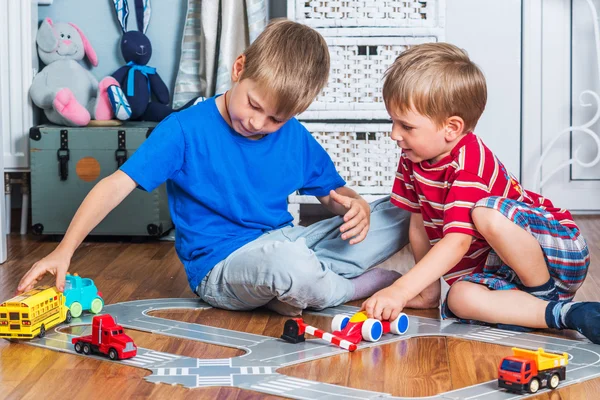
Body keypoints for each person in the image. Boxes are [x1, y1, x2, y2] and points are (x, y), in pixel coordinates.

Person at [17, 20, 410, 316]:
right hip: (222, 268)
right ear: (239, 69)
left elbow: (333, 194)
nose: (258, 123)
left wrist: (354, 208)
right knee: (288, 265)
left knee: (397, 211)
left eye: (275, 119)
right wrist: (63, 250)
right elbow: (114, 186)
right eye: (254, 106)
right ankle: (348, 288)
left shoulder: (292, 135)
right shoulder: (184, 130)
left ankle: (296, 289)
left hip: (287, 241)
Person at [361, 42, 600, 344]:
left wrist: (401, 289)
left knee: (486, 213)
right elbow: (419, 225)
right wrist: (428, 290)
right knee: (459, 298)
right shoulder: (414, 159)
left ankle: (544, 296)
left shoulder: (468, 163)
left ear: (451, 128)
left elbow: (457, 241)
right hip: (502, 270)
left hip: (554, 252)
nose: (394, 134)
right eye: (392, 122)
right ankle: (561, 314)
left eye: (406, 126)